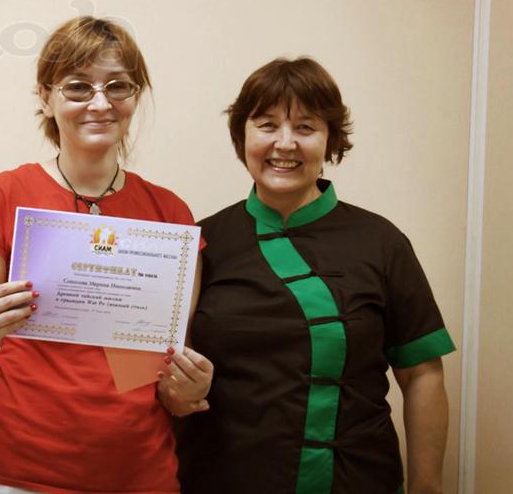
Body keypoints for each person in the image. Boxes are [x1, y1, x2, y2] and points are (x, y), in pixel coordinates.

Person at [0, 16, 212, 494]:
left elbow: (160, 378)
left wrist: (187, 389)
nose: (100, 103)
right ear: (45, 97)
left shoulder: (170, 214)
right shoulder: (1, 197)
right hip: (15, 472)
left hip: (139, 474)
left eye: (118, 86)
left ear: (136, 96)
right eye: (78, 87)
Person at [175, 57, 456, 494]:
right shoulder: (199, 244)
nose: (285, 143)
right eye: (267, 125)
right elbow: (162, 370)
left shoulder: (381, 241)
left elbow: (422, 374)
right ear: (242, 136)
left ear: (330, 140)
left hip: (355, 480)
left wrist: (427, 488)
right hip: (219, 478)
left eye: (305, 127)